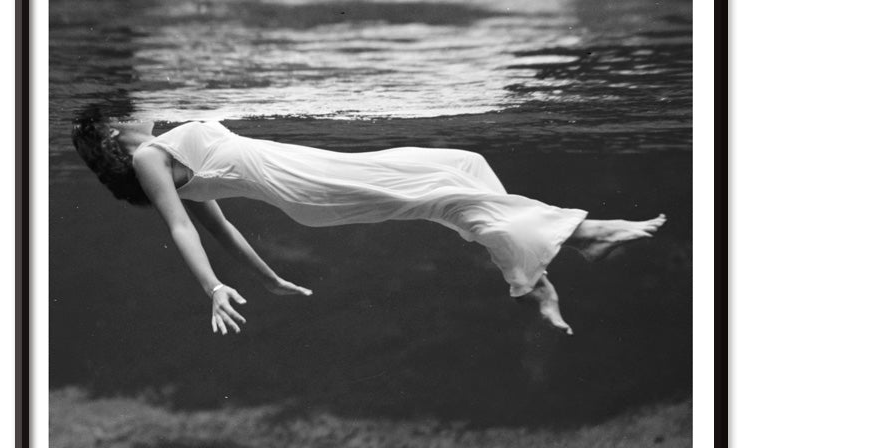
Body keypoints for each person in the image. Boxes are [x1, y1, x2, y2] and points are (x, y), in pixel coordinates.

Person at [71, 112, 666, 337]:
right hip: (307, 186)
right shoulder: (151, 159)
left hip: (312, 175)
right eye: (116, 122)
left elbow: (227, 230)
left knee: (461, 167)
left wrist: (271, 277)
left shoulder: (161, 144)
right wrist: (212, 287)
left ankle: (533, 271)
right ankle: (584, 236)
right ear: (109, 139)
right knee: (443, 195)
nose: (130, 117)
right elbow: (187, 229)